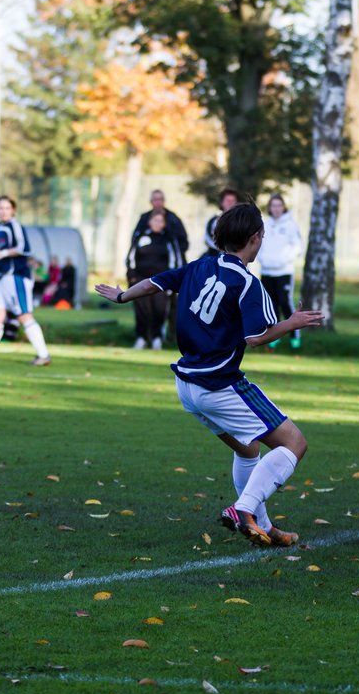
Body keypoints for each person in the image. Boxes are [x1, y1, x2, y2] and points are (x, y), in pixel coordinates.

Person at [94, 203, 325, 547]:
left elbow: (155, 283)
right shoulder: (247, 283)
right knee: (294, 443)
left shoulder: (199, 265)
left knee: (248, 451)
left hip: (186, 385)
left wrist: (123, 295)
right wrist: (290, 324)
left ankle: (263, 528)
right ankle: (242, 509)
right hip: (219, 383)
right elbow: (256, 337)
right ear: (254, 238)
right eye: (262, 235)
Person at [0, 195, 52, 366]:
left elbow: (23, 248)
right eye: (0, 208)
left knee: (24, 315)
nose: (3, 211)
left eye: (7, 208)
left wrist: (3, 254)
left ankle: (43, 355)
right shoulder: (0, 226)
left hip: (17, 277)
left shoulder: (15, 226)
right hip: (4, 277)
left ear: (13, 210)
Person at [126, 209, 185, 349]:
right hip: (140, 279)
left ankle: (157, 338)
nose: (157, 223)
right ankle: (141, 337)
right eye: (155, 220)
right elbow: (131, 258)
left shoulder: (168, 240)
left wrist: (172, 283)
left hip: (161, 282)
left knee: (159, 310)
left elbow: (175, 262)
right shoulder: (141, 237)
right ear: (149, 222)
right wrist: (132, 276)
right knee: (142, 309)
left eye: (160, 221)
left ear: (164, 224)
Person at [258, 194, 303, 350]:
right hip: (267, 271)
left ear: (283, 207)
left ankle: (295, 337)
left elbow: (297, 247)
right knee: (270, 305)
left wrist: (283, 260)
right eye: (273, 205)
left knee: (285, 302)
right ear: (270, 208)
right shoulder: (265, 224)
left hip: (284, 271)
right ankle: (273, 337)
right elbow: (259, 245)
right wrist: (263, 259)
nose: (276, 208)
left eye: (279, 205)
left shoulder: (290, 224)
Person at [132, 189, 189, 259]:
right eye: (155, 199)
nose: (158, 202)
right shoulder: (144, 218)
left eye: (160, 199)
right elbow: (135, 240)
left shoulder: (173, 219)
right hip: (147, 261)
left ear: (164, 201)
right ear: (151, 202)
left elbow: (183, 242)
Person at [204, 188, 243, 255]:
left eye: (233, 200)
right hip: (215, 258)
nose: (230, 203)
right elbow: (209, 239)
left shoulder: (242, 221)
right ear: (222, 202)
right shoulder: (213, 221)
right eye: (227, 200)